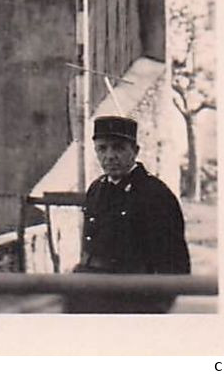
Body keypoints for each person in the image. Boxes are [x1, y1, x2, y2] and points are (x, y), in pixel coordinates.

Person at [64, 114, 191, 313]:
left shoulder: (155, 194)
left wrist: (155, 309)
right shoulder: (96, 189)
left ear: (135, 151)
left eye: (119, 148)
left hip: (131, 298)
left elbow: (175, 265)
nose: (110, 156)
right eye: (102, 149)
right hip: (89, 290)